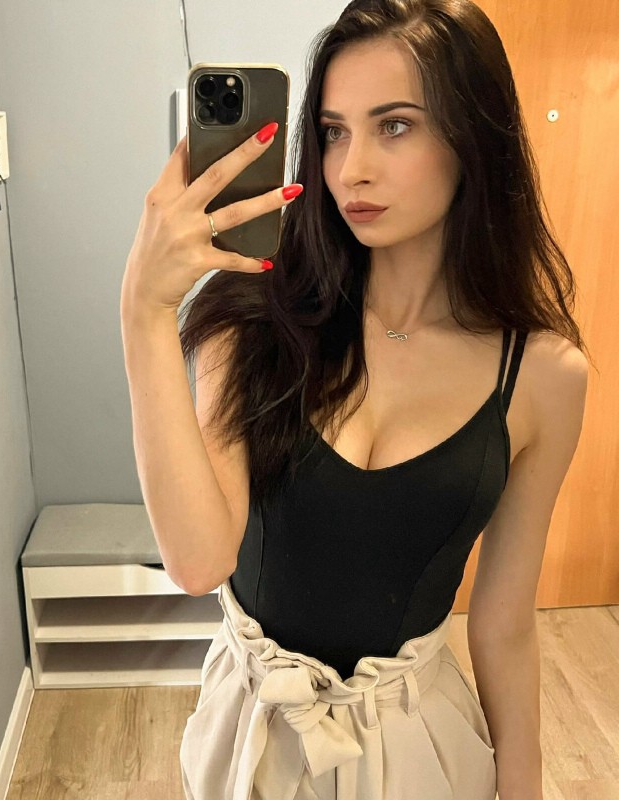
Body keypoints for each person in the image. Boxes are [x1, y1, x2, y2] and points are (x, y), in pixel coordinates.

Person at [120, 1, 591, 798]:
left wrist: (525, 787)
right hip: (256, 736)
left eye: (394, 126)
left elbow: (505, 625)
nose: (351, 169)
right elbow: (199, 560)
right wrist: (143, 310)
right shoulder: (254, 318)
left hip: (419, 745)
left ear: (474, 137)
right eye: (333, 132)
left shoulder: (543, 375)